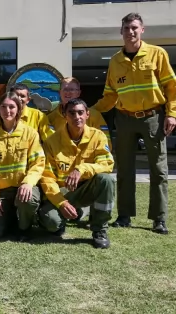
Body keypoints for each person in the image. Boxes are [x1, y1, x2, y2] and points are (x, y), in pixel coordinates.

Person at [91, 13, 175, 234]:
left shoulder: (158, 54)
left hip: (153, 118)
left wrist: (172, 113)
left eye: (134, 27)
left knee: (158, 170)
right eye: (127, 28)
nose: (131, 32)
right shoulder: (115, 61)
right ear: (121, 32)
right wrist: (88, 112)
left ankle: (159, 219)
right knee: (124, 169)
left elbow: (171, 87)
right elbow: (110, 95)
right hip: (124, 118)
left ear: (142, 30)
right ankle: (125, 215)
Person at [39, 98, 115, 249]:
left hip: (86, 189)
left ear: (87, 115)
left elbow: (106, 164)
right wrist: (61, 203)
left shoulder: (98, 136)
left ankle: (100, 230)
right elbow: (47, 178)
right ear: (65, 115)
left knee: (106, 180)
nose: (76, 117)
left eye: (80, 113)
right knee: (52, 223)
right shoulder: (52, 142)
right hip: (62, 192)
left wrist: (81, 169)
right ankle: (75, 212)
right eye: (72, 113)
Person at [0, 92, 45, 241]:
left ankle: (24, 228)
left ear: (18, 109)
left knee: (28, 199)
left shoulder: (30, 134)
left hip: (23, 188)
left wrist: (28, 183)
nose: (7, 111)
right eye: (3, 107)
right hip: (3, 193)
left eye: (11, 106)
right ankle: (10, 217)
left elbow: (38, 163)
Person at [48, 77, 111, 148]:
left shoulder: (95, 115)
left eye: (72, 89)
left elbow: (105, 142)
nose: (68, 92)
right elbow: (50, 144)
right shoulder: (51, 118)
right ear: (59, 93)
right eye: (65, 89)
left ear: (78, 93)